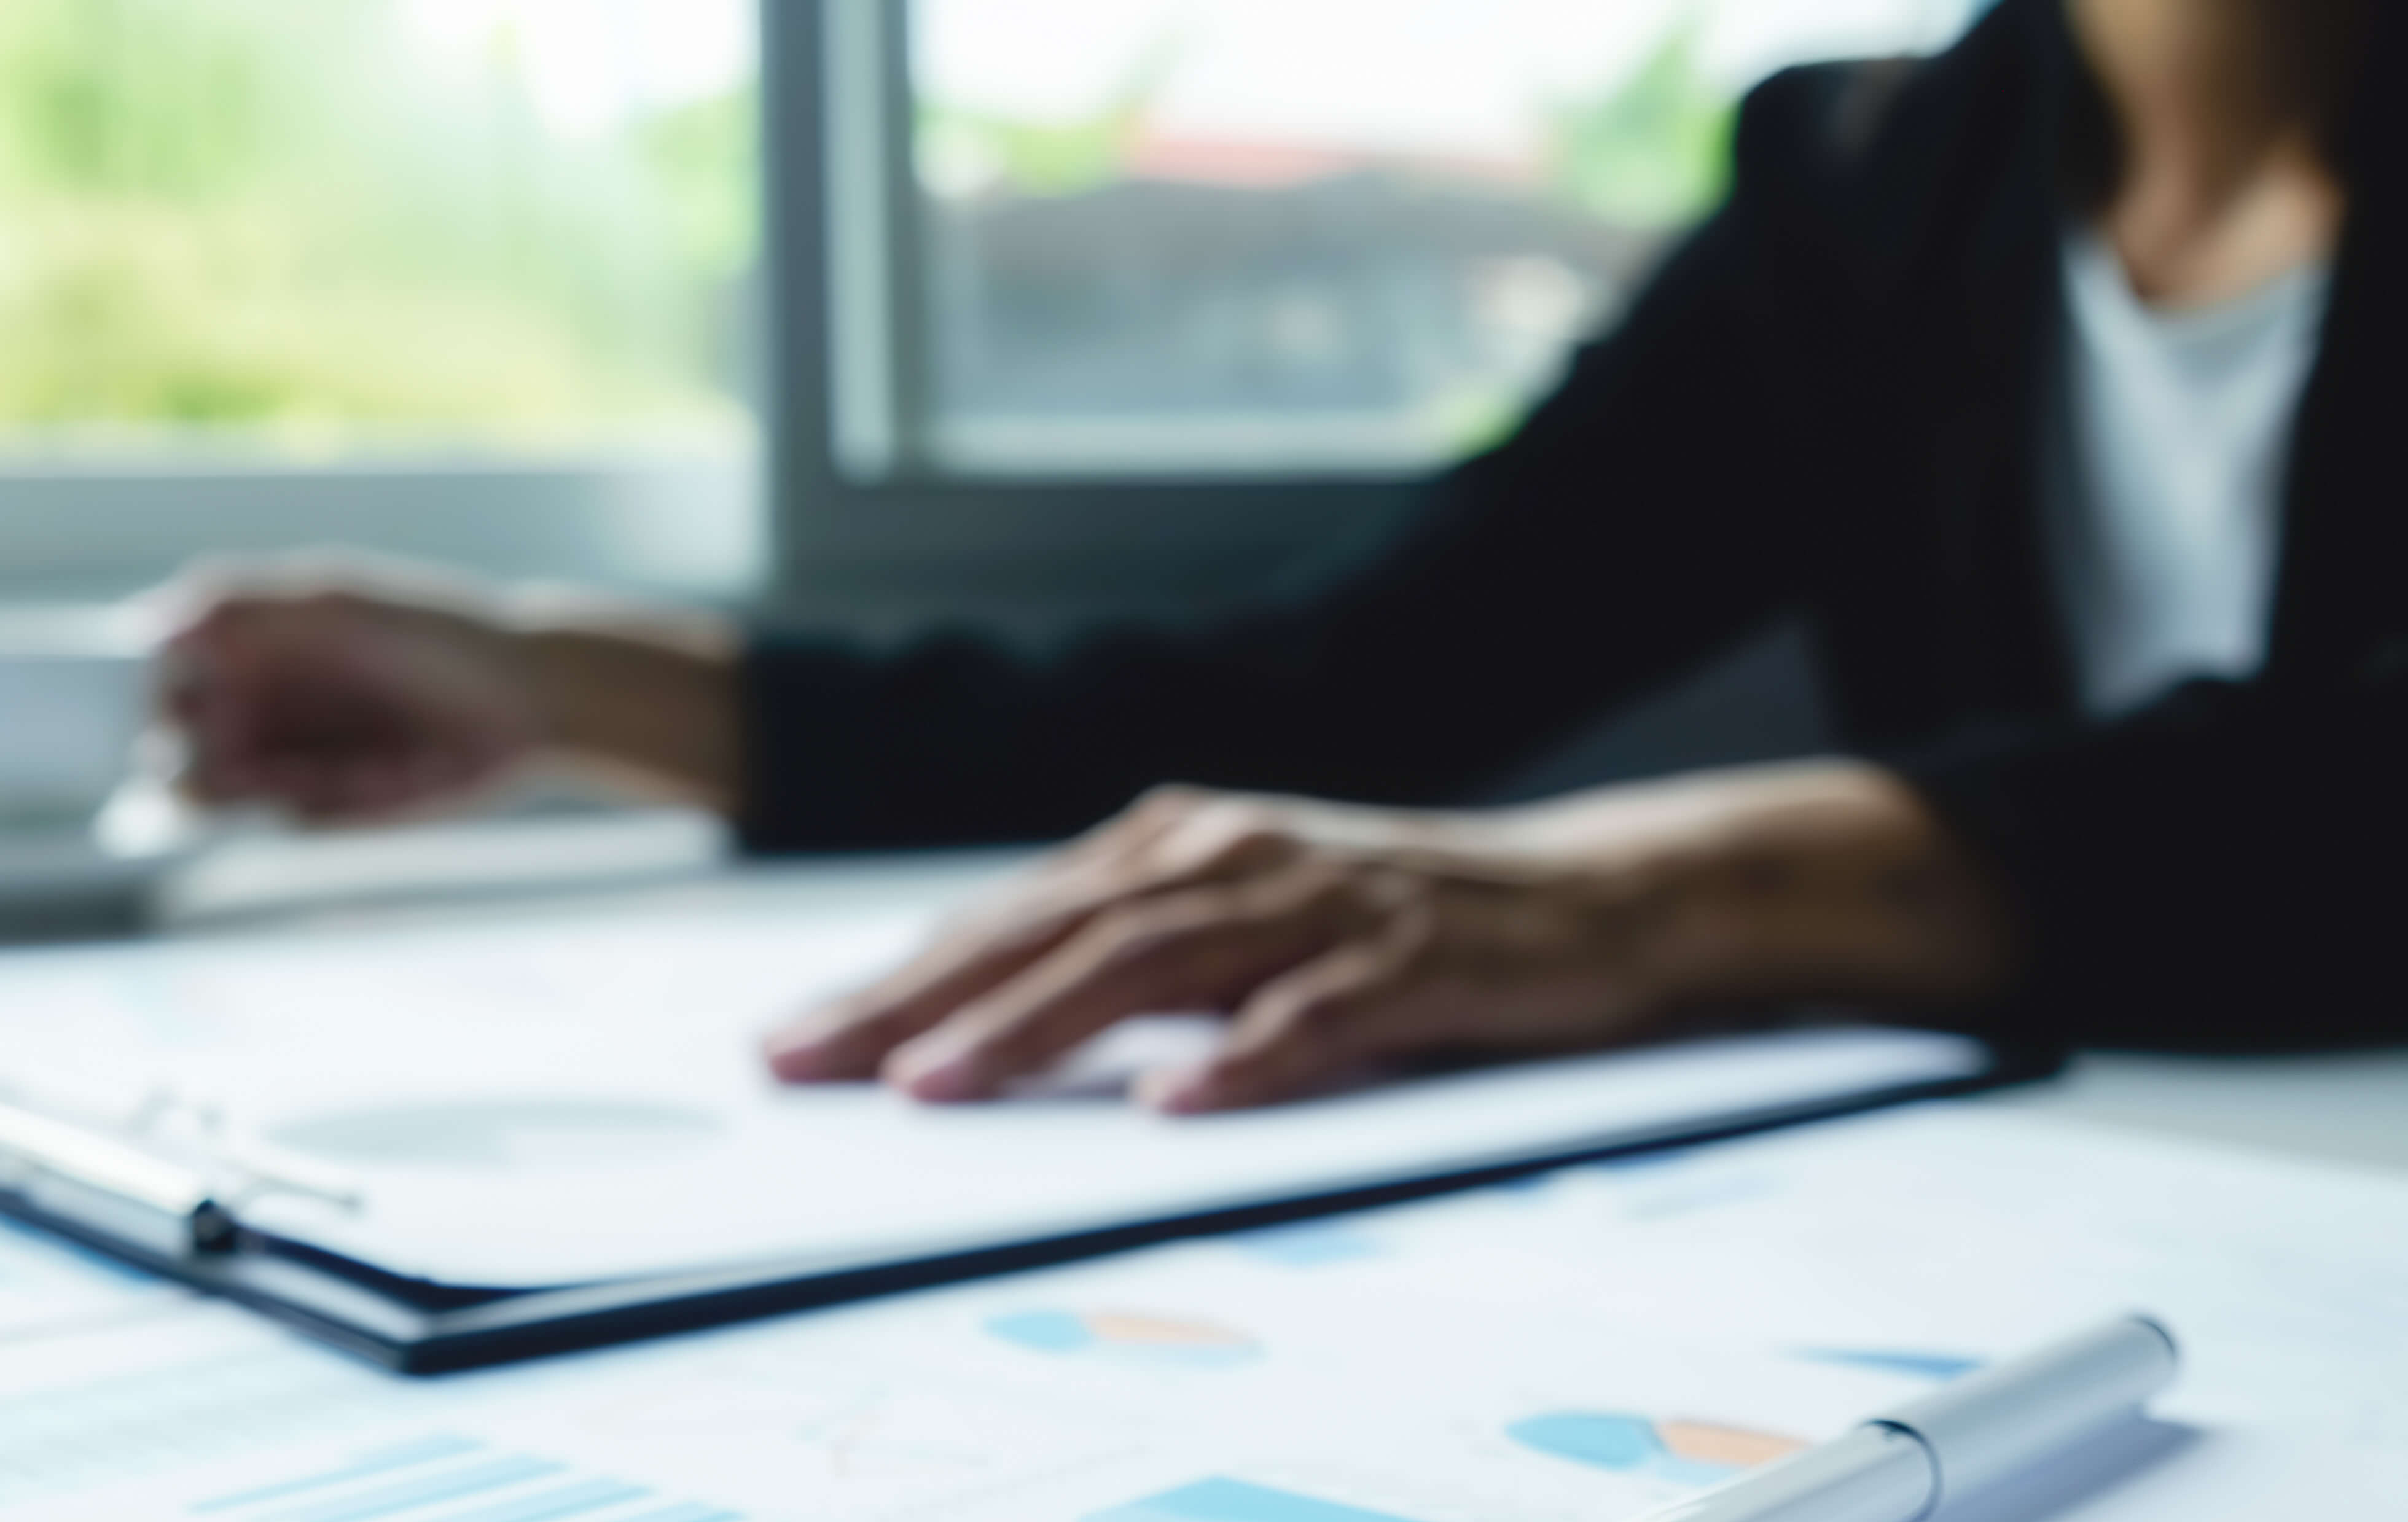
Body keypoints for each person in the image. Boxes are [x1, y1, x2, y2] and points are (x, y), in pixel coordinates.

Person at [162, 0, 2404, 1114]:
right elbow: (1331, 698)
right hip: (2102, 1202)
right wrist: (561, 683)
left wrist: (1694, 886)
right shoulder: (1878, 179)